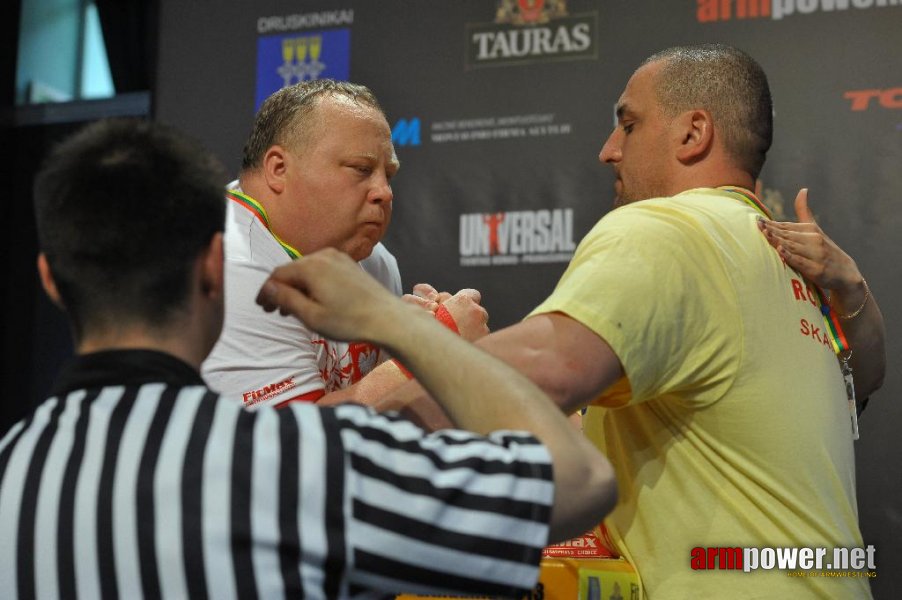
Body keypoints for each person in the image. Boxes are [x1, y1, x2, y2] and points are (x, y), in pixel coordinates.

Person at [0, 119, 616, 598]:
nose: (381, 191)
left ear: (51, 281)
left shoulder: (12, 469)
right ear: (215, 269)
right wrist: (410, 331)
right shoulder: (300, 461)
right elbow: (577, 482)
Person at [381, 44, 885, 597]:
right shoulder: (795, 264)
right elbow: (861, 380)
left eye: (628, 124)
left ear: (693, 133)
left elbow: (546, 373)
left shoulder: (665, 227)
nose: (608, 149)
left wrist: (413, 356)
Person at [202, 79, 488, 409]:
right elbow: (285, 440)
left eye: (388, 175)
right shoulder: (227, 261)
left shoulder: (372, 260)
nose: (385, 192)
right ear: (278, 169)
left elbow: (380, 420)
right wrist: (437, 347)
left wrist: (411, 337)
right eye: (361, 169)